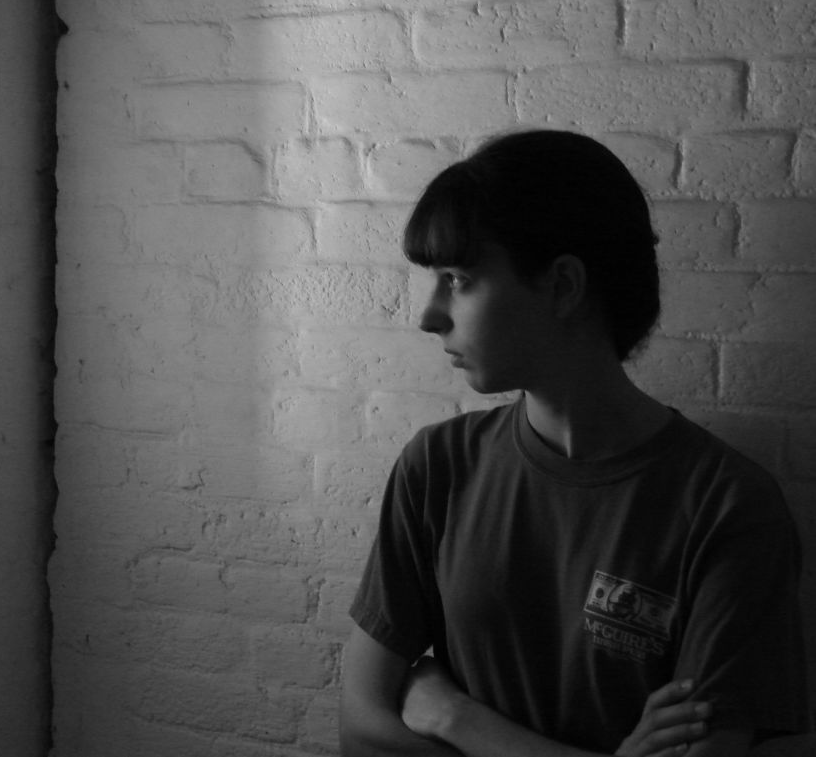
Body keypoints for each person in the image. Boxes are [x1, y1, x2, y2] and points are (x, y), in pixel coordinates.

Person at [339, 130, 810, 757]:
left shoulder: (728, 507)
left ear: (563, 286)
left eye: (459, 279)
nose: (429, 315)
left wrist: (458, 718)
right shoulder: (438, 467)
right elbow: (362, 731)